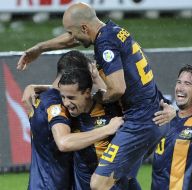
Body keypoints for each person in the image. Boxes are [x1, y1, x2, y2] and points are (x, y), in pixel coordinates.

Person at [17, 2, 176, 189]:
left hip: (138, 124)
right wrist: (40, 49)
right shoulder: (115, 32)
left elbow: (117, 89)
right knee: (124, 180)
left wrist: (99, 97)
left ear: (84, 28)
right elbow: (138, 81)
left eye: (71, 32)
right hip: (154, 117)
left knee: (98, 184)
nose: (71, 37)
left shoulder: (104, 44)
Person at [26, 50, 124, 190]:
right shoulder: (55, 103)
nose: (66, 102)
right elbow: (63, 142)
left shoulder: (48, 96)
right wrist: (107, 129)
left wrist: (35, 86)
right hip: (52, 185)